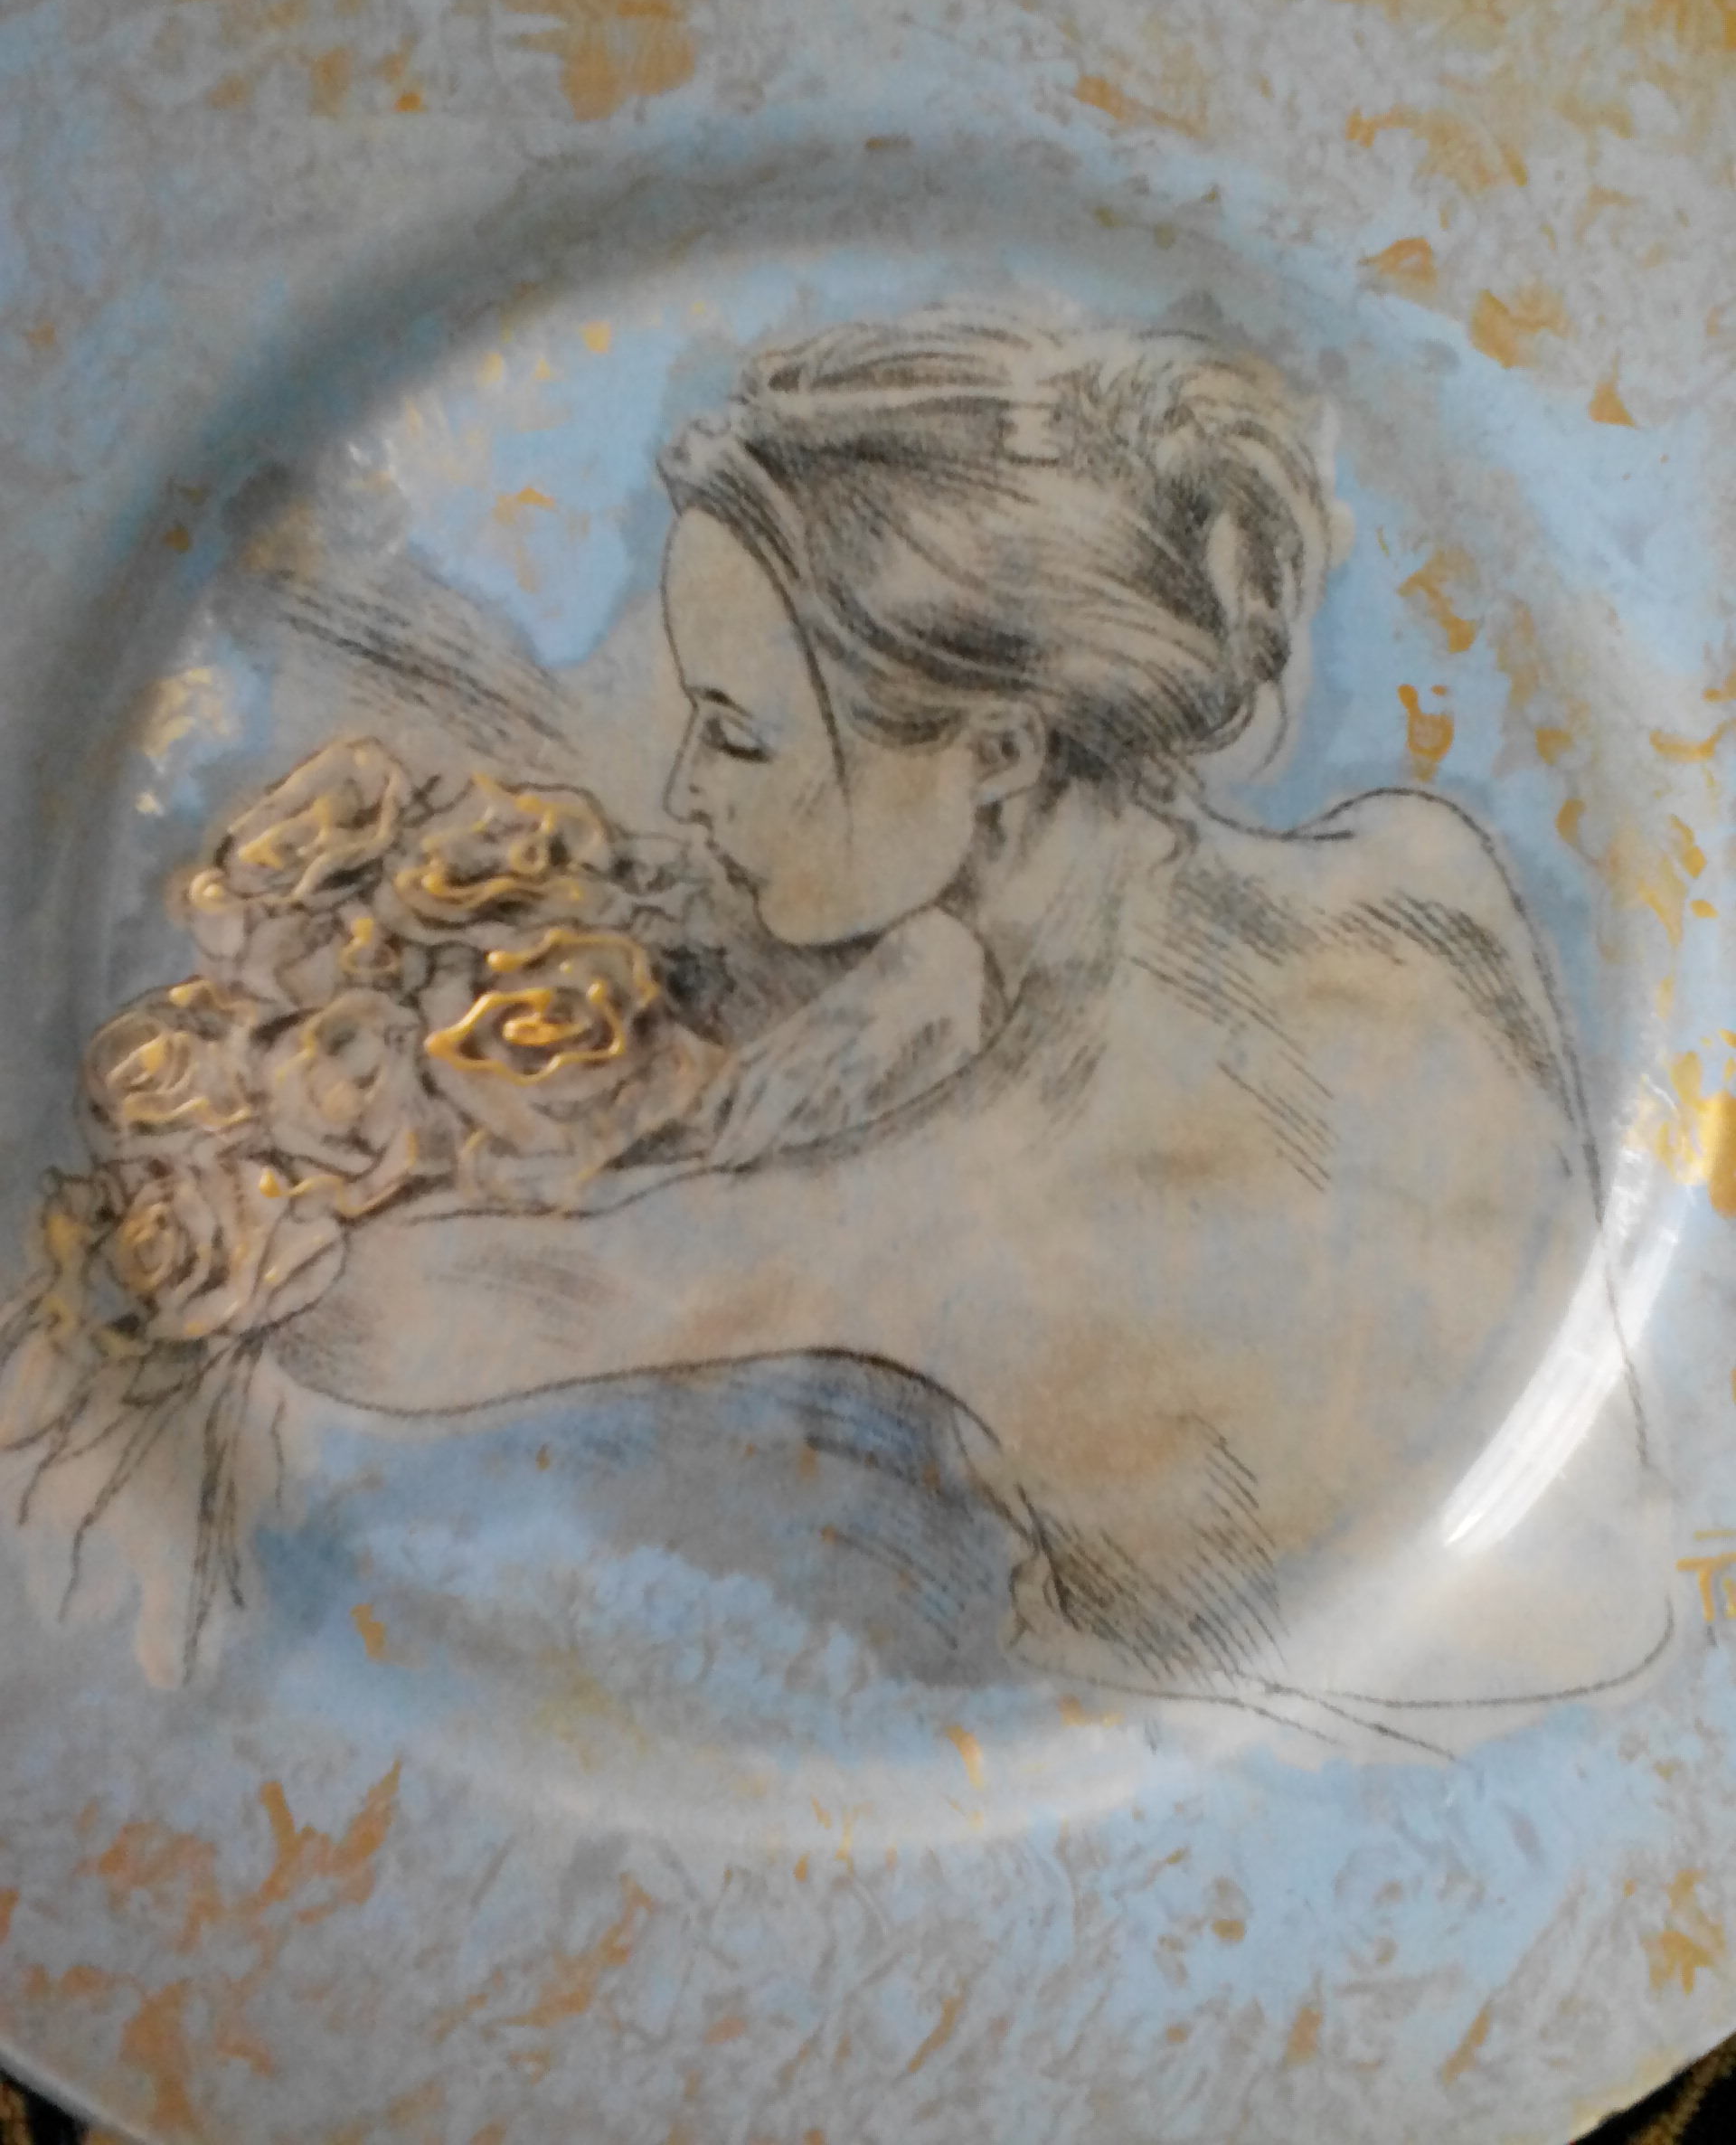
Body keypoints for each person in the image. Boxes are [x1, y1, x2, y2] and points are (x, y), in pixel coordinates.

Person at [284, 309, 1669, 1736]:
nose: (688, 788)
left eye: (740, 731)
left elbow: (375, 1322)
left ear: (1000, 747)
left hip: (1284, 1777)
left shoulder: (954, 1190)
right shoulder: (1423, 869)